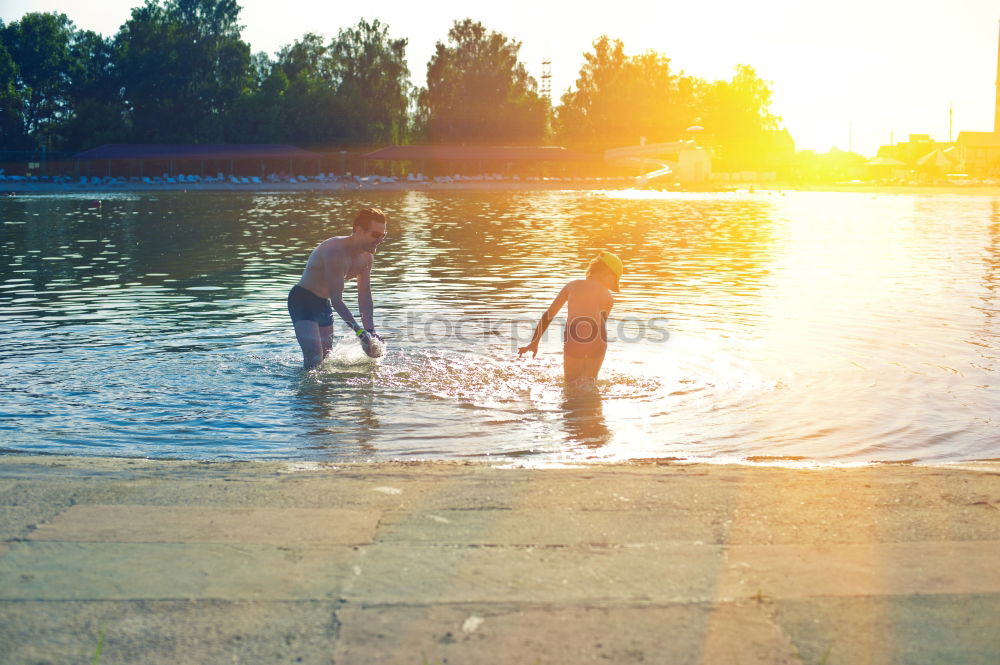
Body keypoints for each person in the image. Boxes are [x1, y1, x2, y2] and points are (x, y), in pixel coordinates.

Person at [288, 207, 387, 369]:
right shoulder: (335, 252)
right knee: (314, 358)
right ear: (359, 231)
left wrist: (370, 331)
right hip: (302, 301)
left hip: (323, 304)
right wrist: (360, 334)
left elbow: (364, 295)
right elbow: (337, 300)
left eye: (383, 235)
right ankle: (304, 392)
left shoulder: (367, 258)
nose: (380, 240)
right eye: (376, 235)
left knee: (326, 361)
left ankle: (324, 393)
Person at [518, 251, 623, 384]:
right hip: (598, 337)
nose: (612, 285)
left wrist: (535, 342)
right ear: (606, 272)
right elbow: (601, 325)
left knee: (571, 384)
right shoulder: (608, 297)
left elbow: (549, 315)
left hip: (575, 334)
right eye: (615, 279)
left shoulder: (572, 286)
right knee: (590, 382)